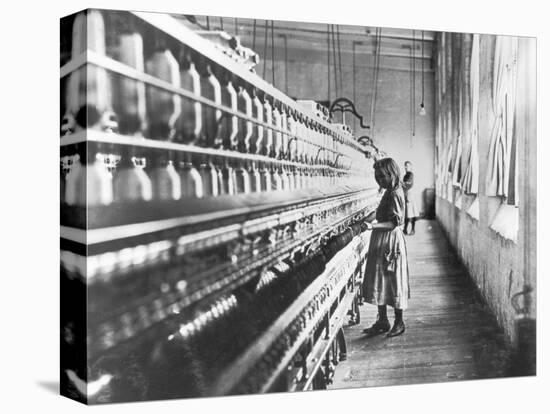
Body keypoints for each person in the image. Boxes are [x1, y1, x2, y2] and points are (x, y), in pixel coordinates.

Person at [361, 158, 410, 338]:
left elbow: (393, 223)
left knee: (393, 279)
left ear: (392, 173)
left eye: (382, 176)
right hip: (381, 240)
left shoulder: (396, 193)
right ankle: (382, 320)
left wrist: (371, 226)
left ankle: (399, 322)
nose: (379, 180)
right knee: (380, 279)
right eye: (377, 177)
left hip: (390, 240)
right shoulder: (389, 191)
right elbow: (382, 212)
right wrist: (367, 218)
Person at [402, 161, 419, 235]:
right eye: (405, 166)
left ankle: (412, 229)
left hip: (410, 195)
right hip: (407, 194)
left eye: (408, 166)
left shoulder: (410, 174)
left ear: (411, 167)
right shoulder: (406, 175)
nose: (406, 167)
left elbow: (408, 185)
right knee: (407, 213)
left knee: (411, 213)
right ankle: (405, 229)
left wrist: (401, 183)